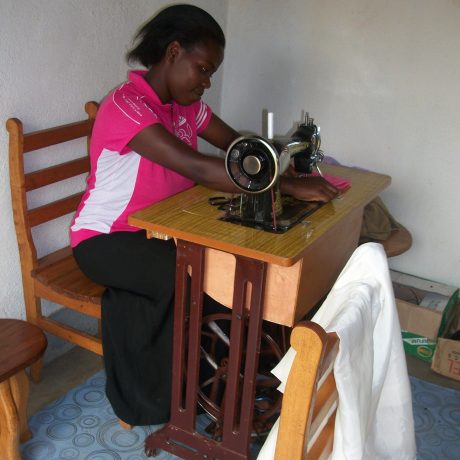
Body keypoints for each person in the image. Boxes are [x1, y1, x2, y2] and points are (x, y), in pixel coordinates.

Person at [70, 4, 338, 426]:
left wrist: (279, 157)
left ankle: (231, 380)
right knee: (199, 277)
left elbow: (237, 148)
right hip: (106, 239)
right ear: (173, 52)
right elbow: (197, 167)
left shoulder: (187, 107)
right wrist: (286, 185)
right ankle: (184, 392)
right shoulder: (128, 106)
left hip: (162, 228)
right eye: (203, 69)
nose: (207, 82)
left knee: (235, 265)